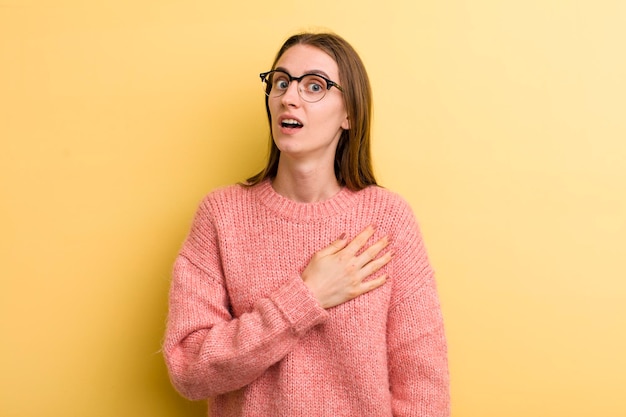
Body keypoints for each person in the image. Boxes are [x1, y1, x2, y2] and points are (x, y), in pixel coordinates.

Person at [163, 32, 450, 416]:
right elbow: (188, 368)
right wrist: (306, 296)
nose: (288, 97)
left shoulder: (387, 220)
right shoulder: (221, 216)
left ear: (350, 113)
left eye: (314, 85)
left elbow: (423, 387)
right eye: (280, 82)